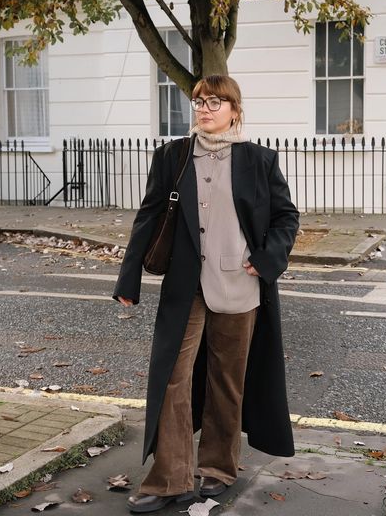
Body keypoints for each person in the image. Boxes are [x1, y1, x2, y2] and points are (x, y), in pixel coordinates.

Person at [113, 74, 299, 513]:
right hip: (185, 287)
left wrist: (267, 259)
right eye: (199, 101)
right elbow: (149, 215)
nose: (205, 108)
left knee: (226, 383)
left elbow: (286, 217)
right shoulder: (172, 157)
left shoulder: (258, 160)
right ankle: (170, 479)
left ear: (235, 110)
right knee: (172, 379)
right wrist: (129, 278)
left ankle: (217, 469)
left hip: (239, 285)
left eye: (216, 102)